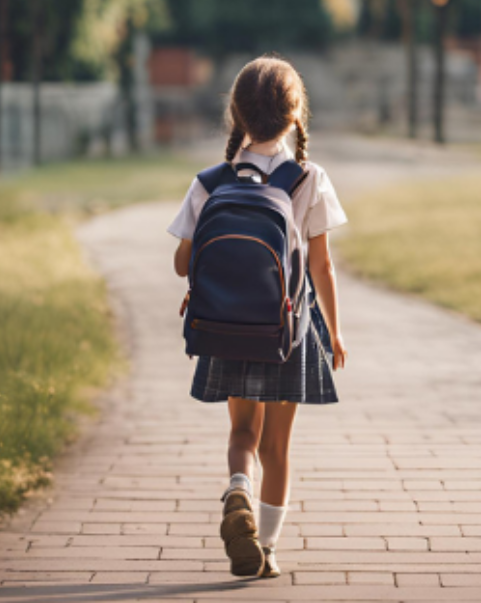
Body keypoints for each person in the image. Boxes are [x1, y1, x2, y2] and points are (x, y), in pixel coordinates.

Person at [167, 54, 349, 578]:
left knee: (243, 435)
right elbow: (322, 266)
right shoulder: (308, 178)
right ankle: (265, 550)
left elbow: (182, 264)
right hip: (289, 333)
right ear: (295, 116)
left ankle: (236, 489)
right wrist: (334, 332)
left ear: (236, 115)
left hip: (227, 328)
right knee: (277, 446)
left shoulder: (210, 181)